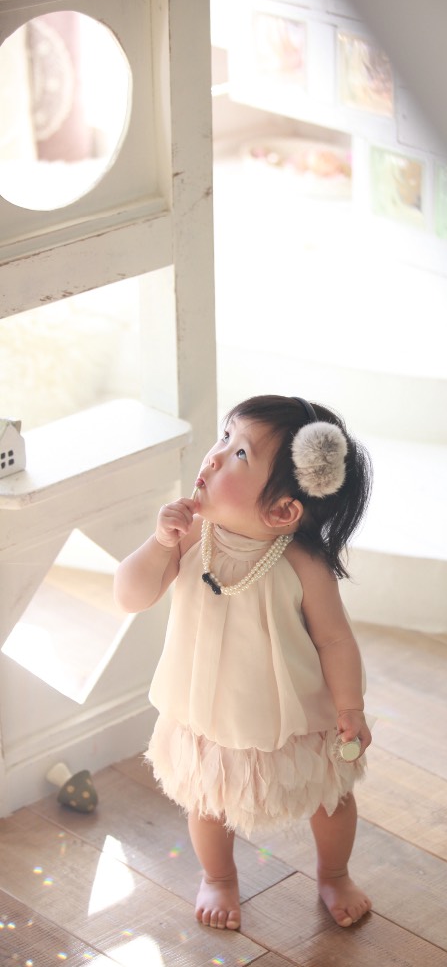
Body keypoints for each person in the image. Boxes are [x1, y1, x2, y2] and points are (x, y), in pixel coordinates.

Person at [114, 394, 373, 931]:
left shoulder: (303, 564)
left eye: (239, 454)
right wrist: (159, 544)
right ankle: (219, 876)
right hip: (207, 708)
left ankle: (334, 873)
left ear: (283, 511)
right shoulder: (188, 537)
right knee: (208, 800)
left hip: (294, 713)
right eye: (224, 436)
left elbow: (335, 641)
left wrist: (350, 706)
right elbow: (131, 596)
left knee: (330, 796)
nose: (214, 456)